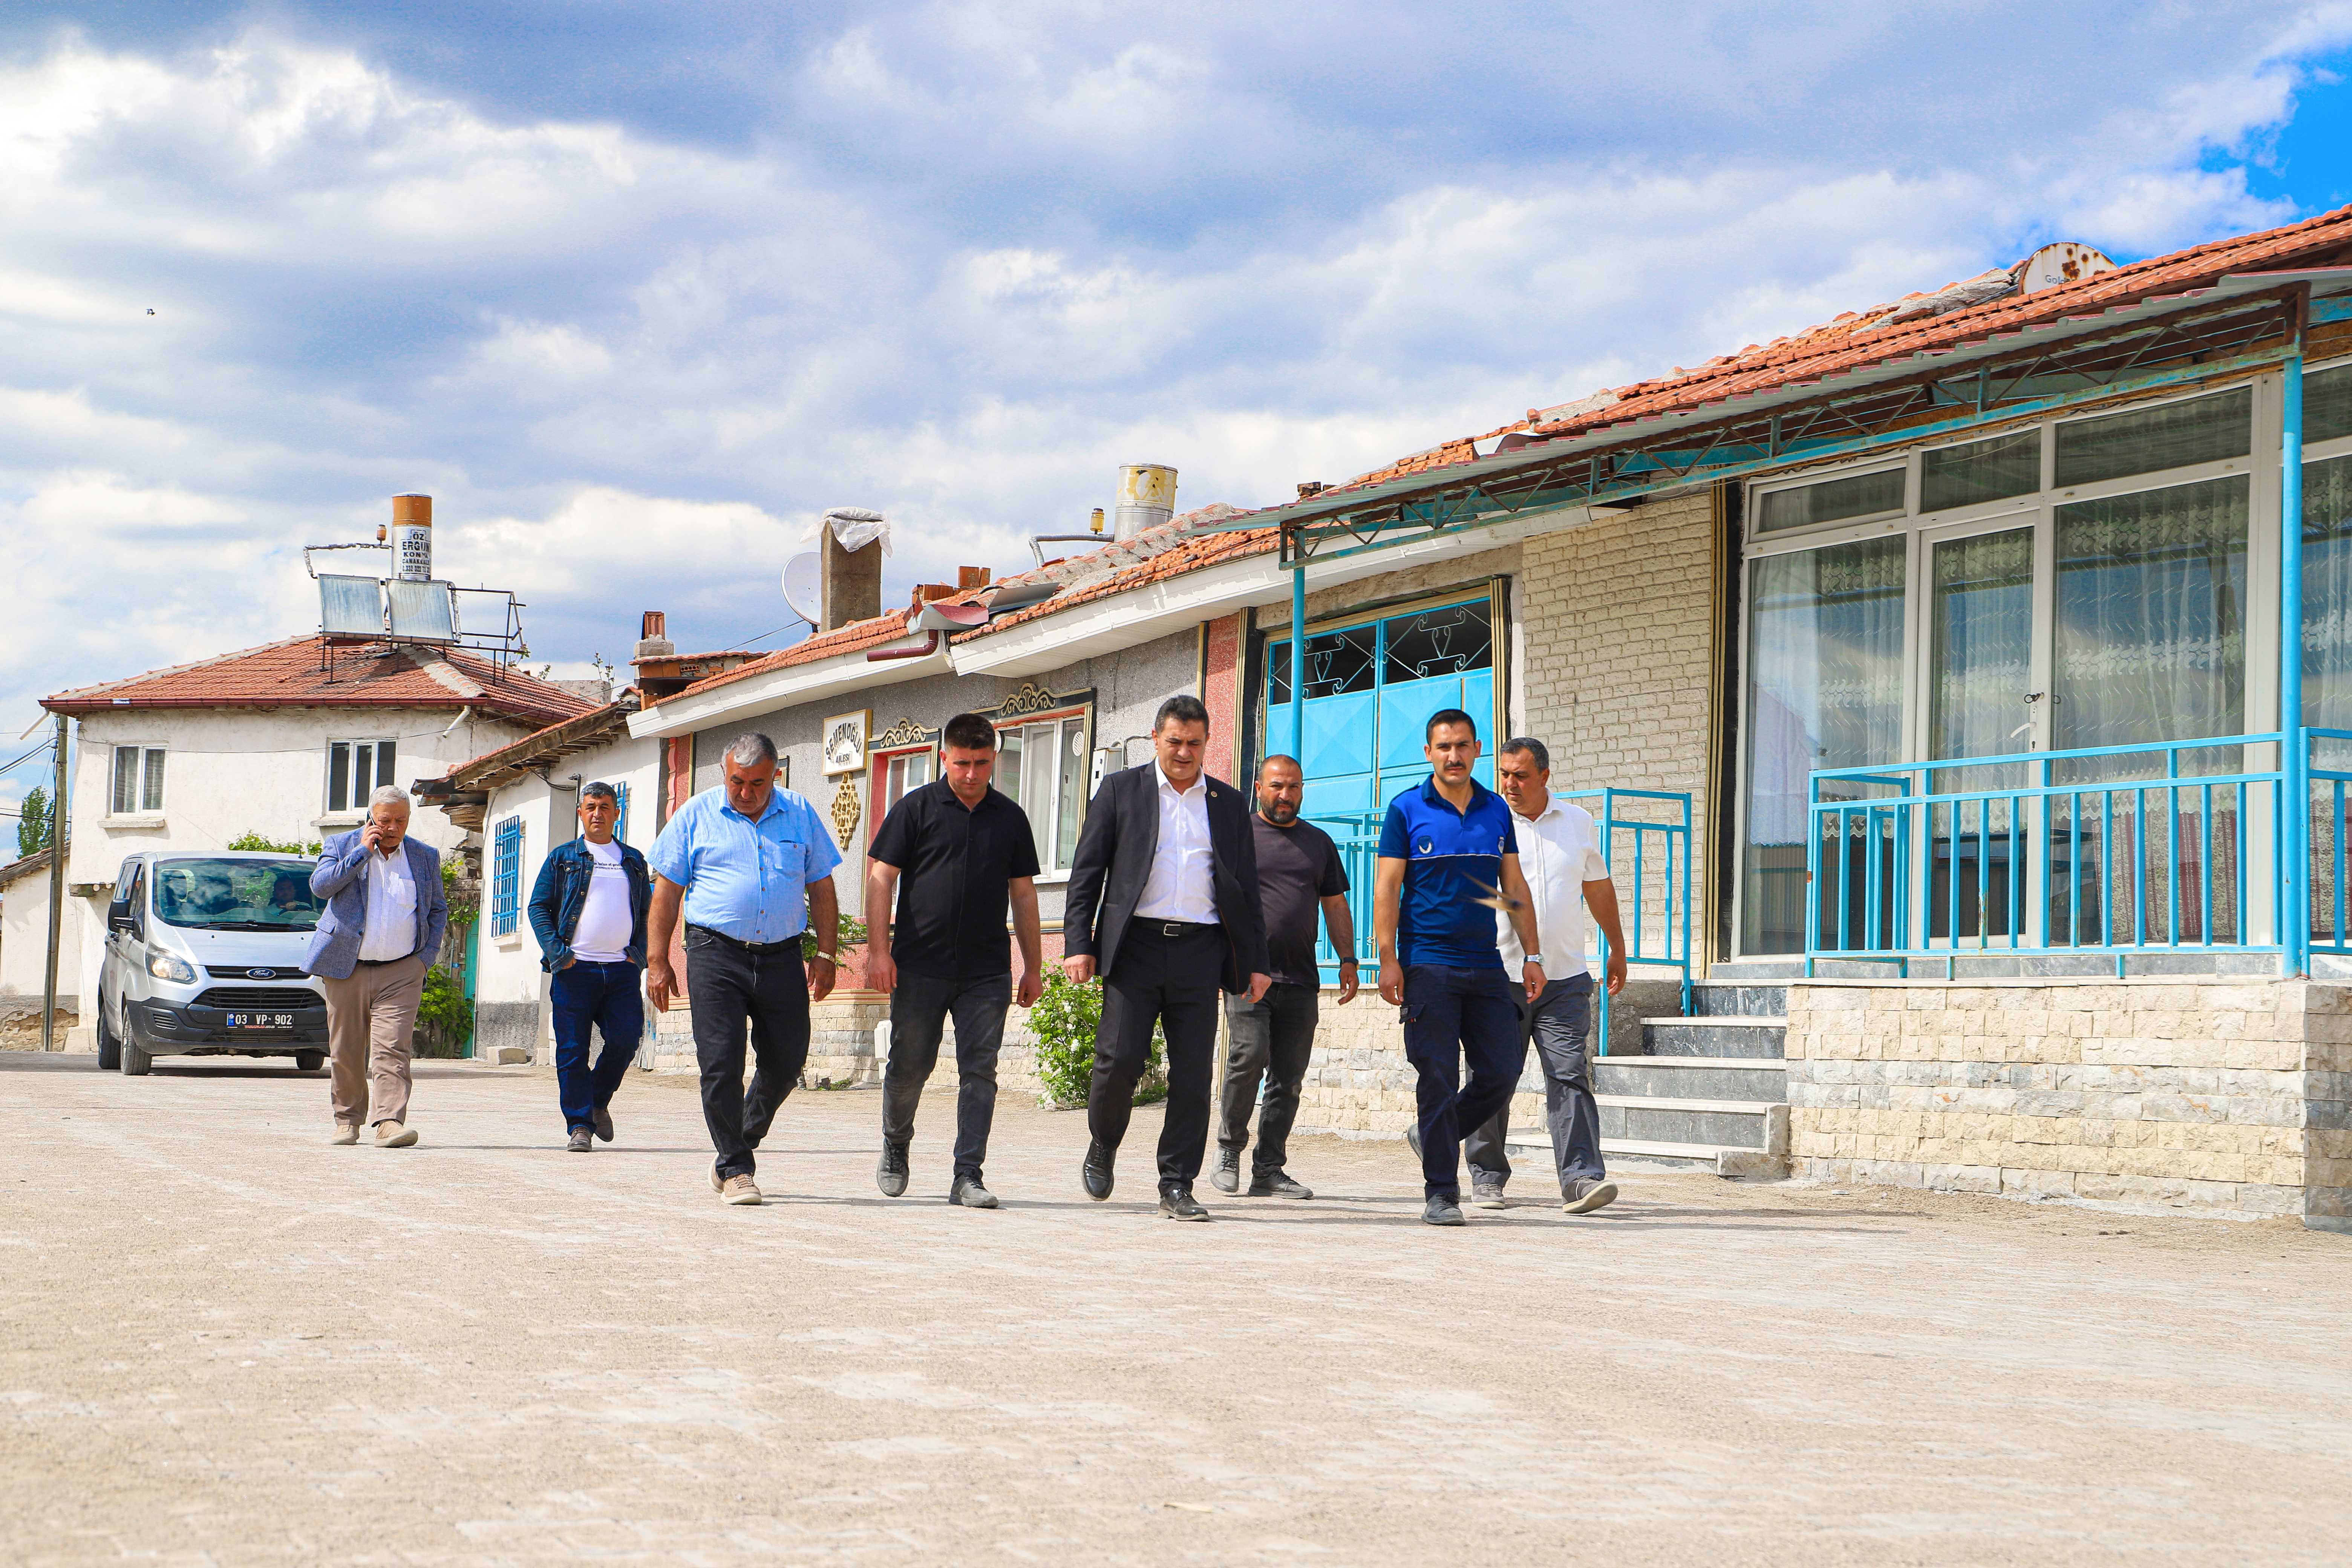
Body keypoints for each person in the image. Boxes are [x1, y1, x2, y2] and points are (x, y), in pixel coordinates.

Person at [1063, 694, 1271, 1221]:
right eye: (1175, 741)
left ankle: (1177, 1183)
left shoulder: (1227, 803)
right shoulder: (1121, 790)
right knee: (1118, 1061)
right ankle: (1103, 1142)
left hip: (1201, 952)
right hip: (1135, 947)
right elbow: (1087, 873)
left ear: (1207, 744)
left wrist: (1256, 961)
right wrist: (1078, 944)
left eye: (1194, 743)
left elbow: (1246, 888)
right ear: (1156, 738)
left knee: (1194, 1075)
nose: (1183, 752)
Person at [646, 733, 842, 1207]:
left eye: (758, 783)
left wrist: (826, 954)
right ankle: (736, 1168)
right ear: (724, 772)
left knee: (788, 1060)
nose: (746, 792)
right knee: (722, 1062)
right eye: (738, 781)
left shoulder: (799, 812)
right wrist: (657, 960)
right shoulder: (695, 814)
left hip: (782, 955)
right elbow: (667, 892)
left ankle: (735, 1144)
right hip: (715, 952)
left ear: (776, 775)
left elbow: (822, 886)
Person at [866, 713, 1046, 1209]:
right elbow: (881, 879)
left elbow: (1024, 895)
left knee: (980, 1072)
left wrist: (1033, 966)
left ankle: (968, 1175)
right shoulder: (915, 808)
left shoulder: (1010, 818)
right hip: (919, 966)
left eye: (981, 763)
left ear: (995, 759)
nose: (971, 773)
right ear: (944, 757)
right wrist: (879, 951)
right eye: (962, 763)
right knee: (909, 1067)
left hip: (987, 971)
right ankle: (896, 1144)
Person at [1373, 709, 1544, 1226]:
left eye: (1463, 746)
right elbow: (1387, 889)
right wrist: (1388, 958)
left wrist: (1533, 955)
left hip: (1485, 962)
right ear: (1429, 752)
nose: (1454, 755)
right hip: (1427, 963)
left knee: (1502, 1071)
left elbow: (1513, 887)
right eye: (1444, 747)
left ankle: (1432, 1136)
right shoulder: (1406, 809)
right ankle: (1442, 1193)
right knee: (1438, 1077)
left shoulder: (1496, 811)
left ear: (1477, 750)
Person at [1456, 738, 1628, 1214]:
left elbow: (1597, 885)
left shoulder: (1578, 821)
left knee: (1570, 1074)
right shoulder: (1483, 823)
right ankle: (1487, 1175)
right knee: (1493, 1076)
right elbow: (1470, 891)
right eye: (1504, 774)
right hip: (1499, 975)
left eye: (1521, 775)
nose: (1510, 784)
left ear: (1545, 776)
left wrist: (1617, 946)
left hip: (1566, 976)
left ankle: (1581, 1179)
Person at [1211, 754, 1355, 1200]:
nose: (1285, 794)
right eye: (1277, 785)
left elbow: (1335, 904)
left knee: (1288, 1078)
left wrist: (1348, 959)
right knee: (1248, 1057)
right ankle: (1229, 1149)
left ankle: (1269, 1169)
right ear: (1259, 788)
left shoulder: (1318, 843)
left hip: (1301, 978)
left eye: (1294, 786)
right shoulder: (1238, 836)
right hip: (1247, 973)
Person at [305, 786, 449, 1149]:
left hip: (402, 970)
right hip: (345, 966)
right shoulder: (342, 845)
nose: (393, 828)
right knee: (346, 1050)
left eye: (401, 820)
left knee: (393, 1047)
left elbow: (437, 910)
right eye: (385, 820)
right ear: (370, 817)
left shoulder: (424, 856)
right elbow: (321, 887)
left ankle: (389, 1122)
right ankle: (347, 1121)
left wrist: (424, 960)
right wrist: (361, 853)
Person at [528, 781, 653, 1154]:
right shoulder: (563, 857)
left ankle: (597, 1100)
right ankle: (580, 1126)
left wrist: (640, 953)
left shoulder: (633, 860)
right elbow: (538, 907)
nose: (598, 813)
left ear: (617, 813)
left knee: (627, 1038)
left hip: (621, 970)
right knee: (572, 1050)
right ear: (581, 813)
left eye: (605, 807)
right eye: (591, 807)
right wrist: (558, 953)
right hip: (574, 970)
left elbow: (647, 913)